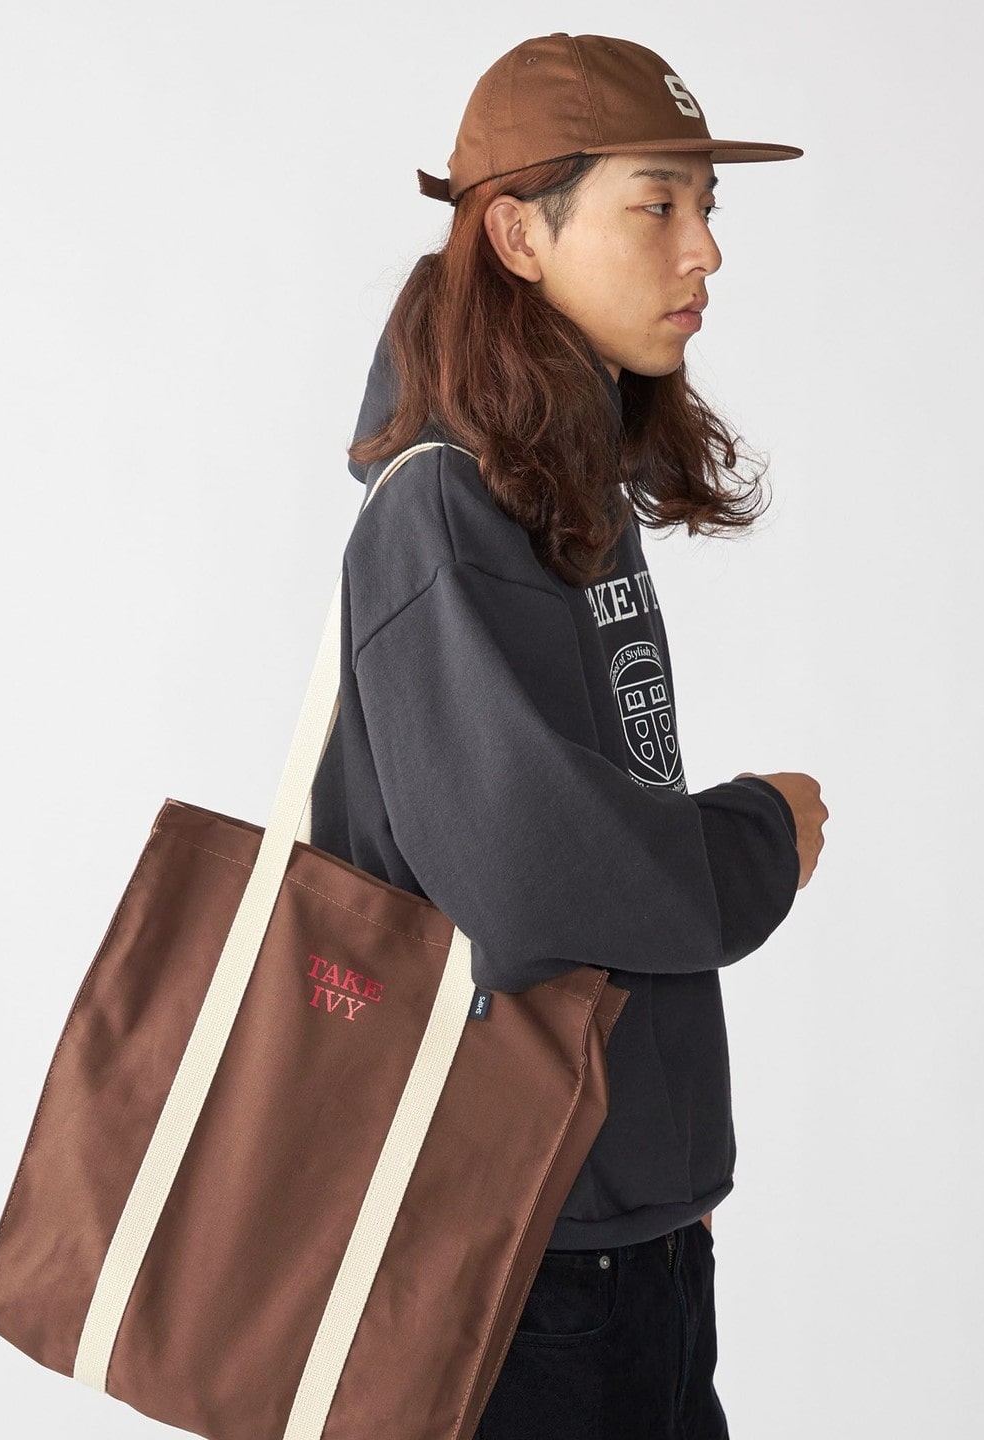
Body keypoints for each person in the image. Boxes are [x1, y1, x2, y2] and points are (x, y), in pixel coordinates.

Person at [310, 30, 828, 1440]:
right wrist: (761, 839)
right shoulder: (442, 509)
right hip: (524, 1265)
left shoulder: (555, 487)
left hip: (618, 1228)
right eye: (657, 205)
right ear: (518, 235)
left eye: (706, 206)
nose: (705, 250)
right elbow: (537, 877)